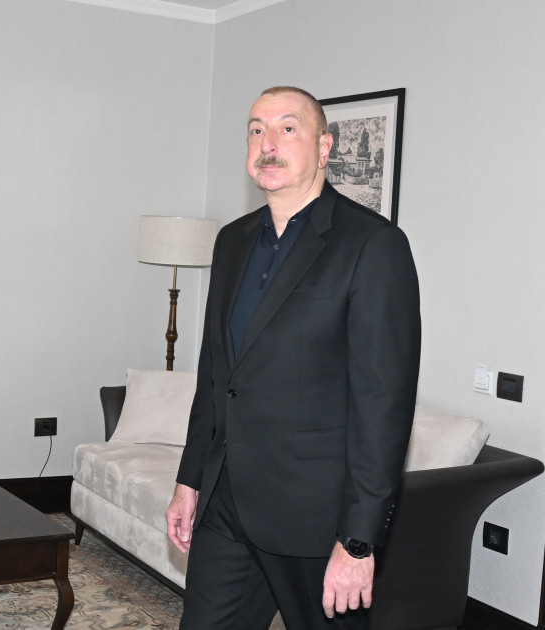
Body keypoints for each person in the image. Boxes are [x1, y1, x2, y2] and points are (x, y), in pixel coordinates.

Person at [166, 86, 421, 630]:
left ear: (324, 147)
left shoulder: (373, 245)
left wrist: (358, 541)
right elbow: (215, 375)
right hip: (226, 503)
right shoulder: (231, 241)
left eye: (287, 128)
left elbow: (383, 407)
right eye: (256, 130)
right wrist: (190, 481)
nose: (268, 143)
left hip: (315, 519)